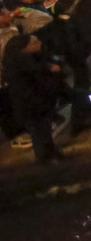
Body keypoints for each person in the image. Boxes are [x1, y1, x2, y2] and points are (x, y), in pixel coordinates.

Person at [1, 34, 65, 164]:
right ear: (24, 48)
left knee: (44, 131)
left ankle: (51, 154)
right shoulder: (23, 66)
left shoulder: (29, 61)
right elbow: (33, 85)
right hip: (31, 105)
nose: (39, 43)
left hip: (36, 103)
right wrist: (50, 71)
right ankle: (45, 160)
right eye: (34, 42)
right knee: (39, 133)